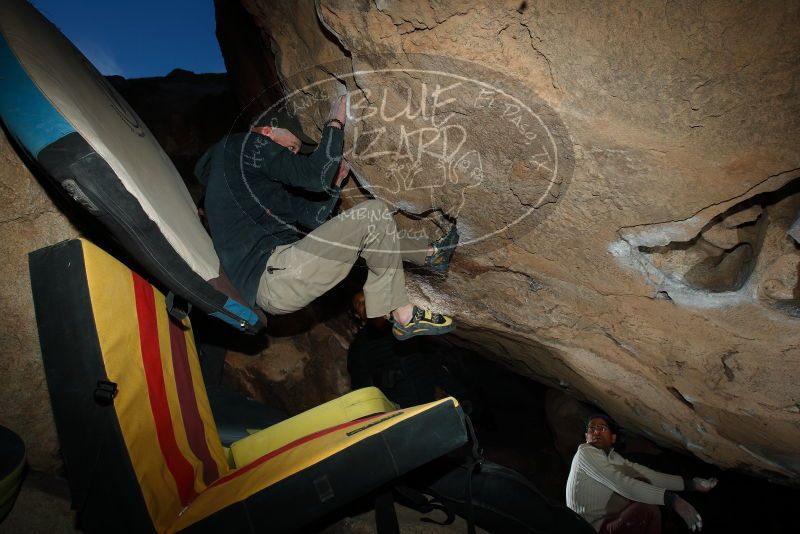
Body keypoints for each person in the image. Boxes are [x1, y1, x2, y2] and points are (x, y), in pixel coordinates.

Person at [195, 96, 459, 339]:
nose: (293, 153)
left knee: (365, 232)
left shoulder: (252, 189)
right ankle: (401, 312)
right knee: (374, 213)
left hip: (281, 275)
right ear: (267, 132)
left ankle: (430, 254)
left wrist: (334, 184)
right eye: (292, 146)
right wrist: (334, 123)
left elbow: (313, 219)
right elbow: (313, 175)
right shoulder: (241, 146)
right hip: (274, 274)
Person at [566, 414, 717, 533]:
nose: (596, 432)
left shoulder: (614, 458)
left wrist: (691, 484)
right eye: (592, 429)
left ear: (613, 438)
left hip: (609, 523)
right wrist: (673, 500)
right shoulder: (584, 453)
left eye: (602, 428)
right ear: (586, 437)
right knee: (647, 509)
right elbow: (621, 484)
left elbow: (651, 476)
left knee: (642, 481)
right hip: (589, 529)